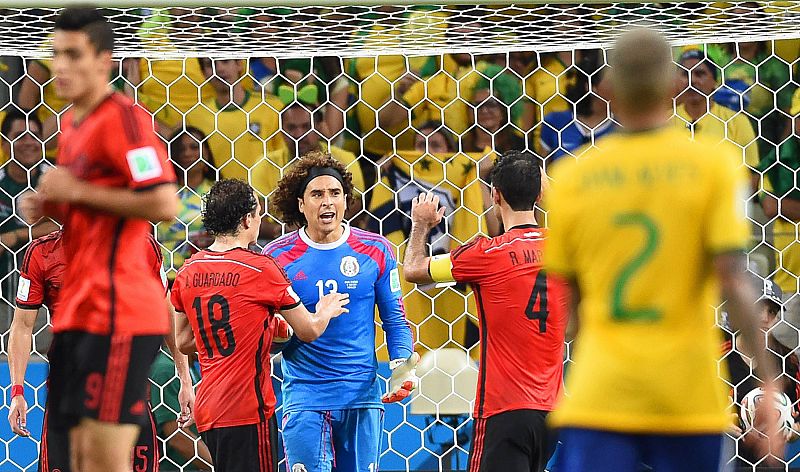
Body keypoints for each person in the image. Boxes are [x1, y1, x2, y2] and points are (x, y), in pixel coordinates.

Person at [544, 28, 783, 470]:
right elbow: (733, 279)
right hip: (687, 393)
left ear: (610, 89)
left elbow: (570, 309)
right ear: (675, 85)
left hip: (603, 393)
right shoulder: (712, 166)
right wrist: (768, 384)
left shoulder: (572, 177)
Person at [19, 8, 180, 472]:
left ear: (106, 60)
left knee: (107, 463)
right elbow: (94, 204)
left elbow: (163, 202)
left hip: (119, 314)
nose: (61, 66)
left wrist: (76, 192)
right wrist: (52, 206)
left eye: (74, 55)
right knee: (77, 460)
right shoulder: (71, 126)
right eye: (55, 55)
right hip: (77, 313)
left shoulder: (125, 119)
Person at [403, 150, 567, 472]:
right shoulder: (564, 248)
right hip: (553, 411)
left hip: (504, 410)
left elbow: (413, 269)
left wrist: (421, 225)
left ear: (495, 195)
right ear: (539, 193)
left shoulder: (486, 254)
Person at [171, 178, 349, 472]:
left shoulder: (189, 269)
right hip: (247, 410)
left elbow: (184, 341)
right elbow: (308, 330)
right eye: (257, 212)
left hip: (209, 409)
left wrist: (252, 327)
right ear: (246, 220)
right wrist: (326, 310)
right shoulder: (260, 268)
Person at [263, 151, 417, 472]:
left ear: (347, 200)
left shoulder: (376, 249)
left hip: (361, 395)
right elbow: (268, 333)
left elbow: (395, 319)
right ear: (301, 203)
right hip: (306, 397)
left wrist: (402, 366)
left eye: (335, 193)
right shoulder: (276, 256)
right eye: (317, 194)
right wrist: (281, 335)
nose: (327, 202)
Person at [7, 230, 193, 472]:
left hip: (127, 390)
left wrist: (185, 379)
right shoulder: (42, 253)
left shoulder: (141, 244)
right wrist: (17, 391)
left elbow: (165, 308)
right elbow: (21, 326)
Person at [723, 278, 800, 467]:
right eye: (758, 309)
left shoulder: (788, 361)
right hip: (724, 459)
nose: (765, 318)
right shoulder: (718, 357)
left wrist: (792, 430)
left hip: (770, 462)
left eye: (772, 312)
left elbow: (798, 418)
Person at [0, 109, 58, 318]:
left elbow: (67, 225)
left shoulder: (55, 178)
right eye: (20, 136)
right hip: (4, 293)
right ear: (4, 144)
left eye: (34, 136)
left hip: (50, 299)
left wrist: (15, 236)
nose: (29, 142)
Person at [157, 127, 216, 282]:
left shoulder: (219, 192)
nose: (187, 153)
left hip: (206, 273)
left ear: (207, 153)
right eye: (181, 149)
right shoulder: (163, 194)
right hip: (165, 274)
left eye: (194, 147)